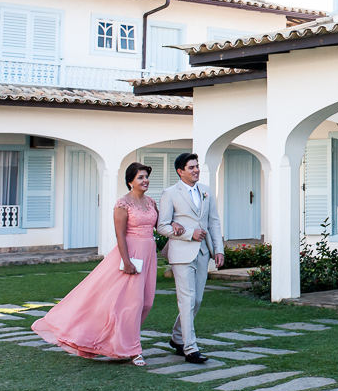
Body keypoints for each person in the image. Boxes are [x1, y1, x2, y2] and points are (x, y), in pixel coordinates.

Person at [31, 162, 183, 366]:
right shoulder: (122, 204)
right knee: (131, 305)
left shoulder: (151, 202)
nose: (145, 180)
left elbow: (158, 225)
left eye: (146, 176)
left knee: (146, 303)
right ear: (130, 181)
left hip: (149, 256)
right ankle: (134, 350)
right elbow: (120, 235)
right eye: (140, 177)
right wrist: (126, 261)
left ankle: (120, 343)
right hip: (130, 255)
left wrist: (172, 223)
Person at [157, 152, 224, 364]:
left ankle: (177, 337)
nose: (196, 170)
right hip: (181, 252)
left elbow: (214, 221)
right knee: (186, 301)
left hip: (203, 252)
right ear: (180, 171)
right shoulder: (170, 193)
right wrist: (188, 233)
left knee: (196, 300)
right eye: (191, 167)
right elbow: (162, 226)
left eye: (197, 167)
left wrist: (218, 249)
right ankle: (190, 348)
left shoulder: (206, 191)